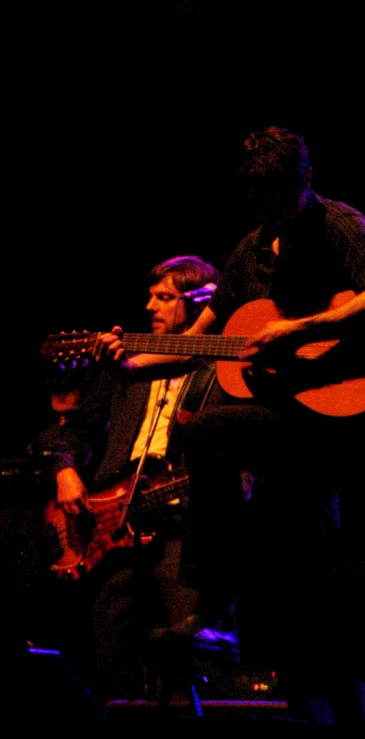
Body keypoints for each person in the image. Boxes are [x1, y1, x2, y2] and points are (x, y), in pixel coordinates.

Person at [94, 127, 365, 724]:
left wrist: (298, 331)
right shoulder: (250, 250)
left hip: (341, 419)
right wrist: (130, 361)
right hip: (289, 426)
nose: (270, 213)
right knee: (293, 581)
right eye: (259, 202)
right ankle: (313, 692)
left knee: (208, 437)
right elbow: (200, 346)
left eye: (279, 199)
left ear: (301, 184)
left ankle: (213, 599)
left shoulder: (338, 226)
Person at [29, 254, 224, 707]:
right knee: (111, 648)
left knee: (190, 651)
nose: (151, 306)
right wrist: (64, 471)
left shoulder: (218, 369)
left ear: (197, 306)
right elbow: (69, 433)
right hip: (115, 528)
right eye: (151, 296)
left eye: (165, 297)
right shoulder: (127, 371)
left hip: (182, 527)